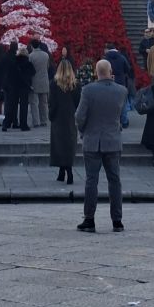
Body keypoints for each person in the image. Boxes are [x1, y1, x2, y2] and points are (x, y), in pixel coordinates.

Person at [75, 59, 127, 232]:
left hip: (92, 141)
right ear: (110, 71)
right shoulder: (121, 91)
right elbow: (122, 117)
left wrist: (84, 131)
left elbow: (79, 116)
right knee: (115, 181)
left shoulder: (88, 90)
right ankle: (117, 221)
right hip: (113, 140)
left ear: (96, 72)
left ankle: (89, 219)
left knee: (91, 181)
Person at [49, 56, 80, 184]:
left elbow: (52, 102)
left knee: (58, 144)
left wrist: (51, 115)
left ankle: (63, 171)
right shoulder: (75, 84)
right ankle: (67, 170)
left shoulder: (54, 84)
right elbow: (78, 102)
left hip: (58, 117)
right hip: (70, 117)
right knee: (69, 144)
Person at [2, 42, 33, 131]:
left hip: (14, 86)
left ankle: (7, 123)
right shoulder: (28, 64)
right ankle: (23, 125)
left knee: (11, 105)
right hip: (24, 87)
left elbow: (9, 74)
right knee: (24, 106)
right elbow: (32, 74)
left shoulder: (14, 62)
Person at [28, 39, 51, 128]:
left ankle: (36, 121)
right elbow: (47, 67)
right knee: (44, 103)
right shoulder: (46, 55)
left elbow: (30, 69)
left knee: (34, 103)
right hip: (44, 80)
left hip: (34, 81)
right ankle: (44, 120)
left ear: (32, 46)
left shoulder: (31, 56)